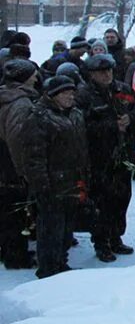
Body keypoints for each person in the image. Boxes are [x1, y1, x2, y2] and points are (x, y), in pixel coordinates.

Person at [76, 54, 135, 262]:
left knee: (121, 199)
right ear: (92, 74)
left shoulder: (123, 90)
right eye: (101, 72)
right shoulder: (84, 95)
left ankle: (116, 237)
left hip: (123, 156)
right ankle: (101, 242)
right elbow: (80, 127)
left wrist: (130, 119)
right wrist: (110, 126)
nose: (106, 75)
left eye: (109, 70)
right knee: (101, 202)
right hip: (99, 158)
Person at [23, 76, 90, 279]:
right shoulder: (39, 117)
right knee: (51, 228)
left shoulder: (76, 114)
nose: (71, 96)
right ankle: (48, 268)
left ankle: (61, 262)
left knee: (67, 227)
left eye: (72, 92)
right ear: (53, 95)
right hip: (52, 183)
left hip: (73, 181)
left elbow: (83, 149)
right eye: (66, 93)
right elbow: (34, 157)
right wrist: (42, 185)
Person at [0, 60, 41, 269]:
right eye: (33, 74)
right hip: (11, 165)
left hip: (4, 162)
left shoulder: (5, 95)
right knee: (15, 212)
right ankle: (16, 256)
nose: (36, 78)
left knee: (6, 210)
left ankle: (7, 249)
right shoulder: (21, 103)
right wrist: (23, 171)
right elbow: (16, 138)